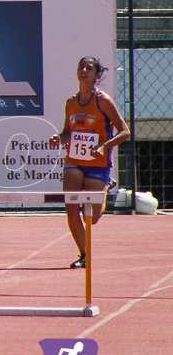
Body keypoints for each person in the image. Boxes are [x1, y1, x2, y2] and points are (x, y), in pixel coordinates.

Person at [48, 56, 130, 269]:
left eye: (89, 68)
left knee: (91, 218)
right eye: (81, 67)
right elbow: (68, 132)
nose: (84, 70)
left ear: (97, 75)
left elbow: (124, 132)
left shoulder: (102, 100)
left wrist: (103, 146)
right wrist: (59, 138)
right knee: (72, 208)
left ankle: (106, 182)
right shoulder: (71, 103)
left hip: (97, 162)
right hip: (73, 161)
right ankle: (85, 254)